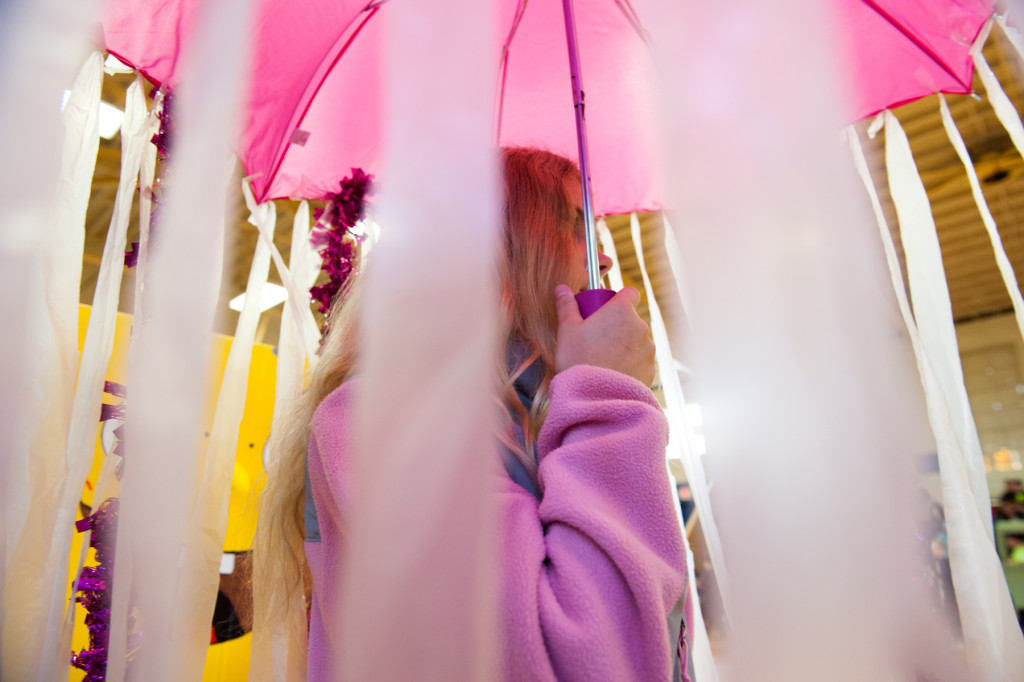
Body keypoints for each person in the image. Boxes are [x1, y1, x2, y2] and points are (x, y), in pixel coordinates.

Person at [252, 147, 693, 681]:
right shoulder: (379, 417)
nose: (600, 262)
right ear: (506, 249)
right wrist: (608, 394)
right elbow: (579, 656)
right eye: (577, 229)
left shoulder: (540, 418)